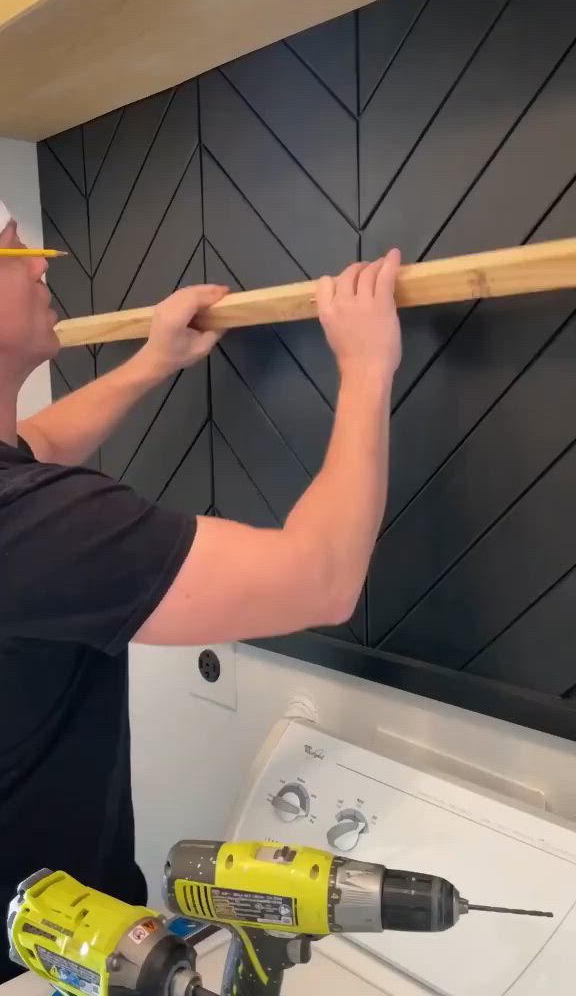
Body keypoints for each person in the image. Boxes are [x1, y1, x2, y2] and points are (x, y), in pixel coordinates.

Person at [0, 196, 401, 981]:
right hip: (44, 959)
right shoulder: (27, 528)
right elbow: (320, 579)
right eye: (16, 251)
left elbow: (35, 447)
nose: (44, 264)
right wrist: (365, 366)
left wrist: (154, 361)